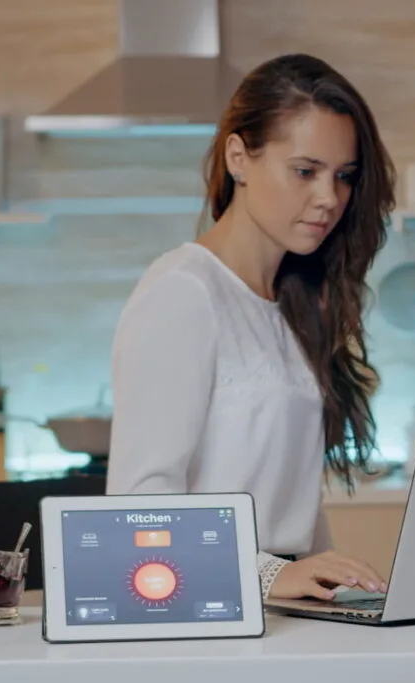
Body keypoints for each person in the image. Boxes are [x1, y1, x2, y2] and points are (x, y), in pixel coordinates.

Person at [105, 53, 396, 602]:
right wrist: (269, 574)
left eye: (344, 176)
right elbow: (139, 511)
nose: (329, 198)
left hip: (283, 611)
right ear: (239, 157)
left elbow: (294, 514)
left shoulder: (295, 303)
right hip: (205, 611)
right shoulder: (182, 291)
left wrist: (335, 584)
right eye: (305, 171)